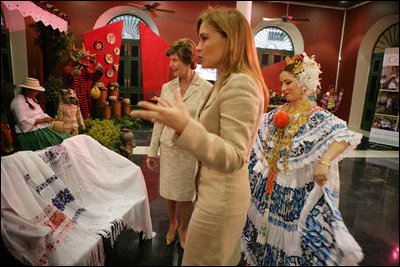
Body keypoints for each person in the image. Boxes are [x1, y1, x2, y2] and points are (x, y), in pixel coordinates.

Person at [131, 7, 269, 265]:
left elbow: (235, 155)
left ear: (230, 39)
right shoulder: (228, 82)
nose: (199, 47)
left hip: (221, 200)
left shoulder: (241, 83)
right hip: (212, 192)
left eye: (205, 38)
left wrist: (186, 127)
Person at [241, 52, 364, 265]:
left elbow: (343, 135)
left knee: (293, 240)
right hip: (270, 190)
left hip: (295, 192)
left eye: (288, 82)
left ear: (304, 82)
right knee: (264, 233)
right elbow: (256, 129)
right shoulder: (278, 111)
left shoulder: (317, 115)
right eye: (282, 83)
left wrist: (324, 163)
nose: (283, 88)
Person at [146, 38, 213, 249]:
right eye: (170, 60)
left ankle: (184, 227)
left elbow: (207, 124)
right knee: (169, 190)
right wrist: (151, 151)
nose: (171, 65)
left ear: (187, 59)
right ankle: (172, 223)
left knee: (186, 193)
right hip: (168, 148)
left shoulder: (205, 89)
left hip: (190, 150)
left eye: (175, 60)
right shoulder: (167, 87)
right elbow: (160, 120)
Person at [10, 77, 70, 151]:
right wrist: (43, 120)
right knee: (58, 143)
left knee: (66, 137)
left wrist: (52, 120)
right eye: (35, 91)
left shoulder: (32, 99)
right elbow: (23, 123)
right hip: (29, 134)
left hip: (40, 128)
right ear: (27, 90)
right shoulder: (18, 102)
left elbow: (41, 114)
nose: (37, 93)